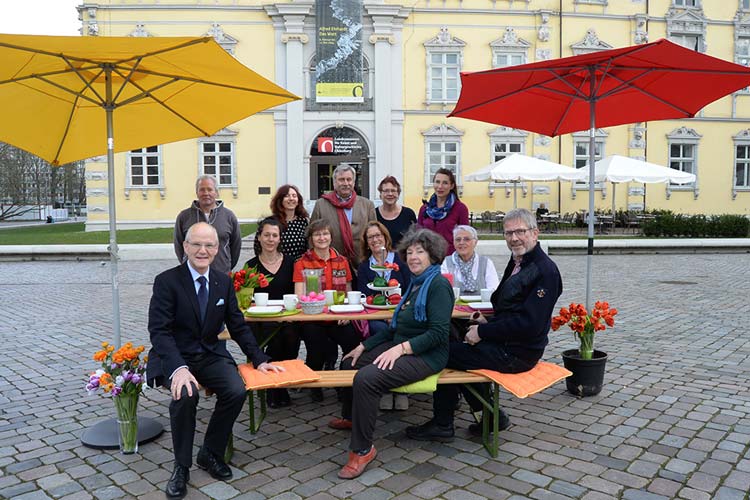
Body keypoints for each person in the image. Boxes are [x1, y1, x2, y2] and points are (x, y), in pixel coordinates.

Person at [147, 222, 283, 500]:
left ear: (217, 249)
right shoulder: (167, 281)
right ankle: (181, 466)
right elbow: (159, 332)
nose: (202, 250)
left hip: (210, 354)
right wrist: (179, 369)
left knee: (236, 390)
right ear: (185, 247)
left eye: (209, 245)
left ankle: (210, 452)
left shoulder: (223, 281)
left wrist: (259, 359)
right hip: (175, 355)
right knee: (185, 396)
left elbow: (238, 325)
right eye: (196, 244)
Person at [405, 208, 562, 441]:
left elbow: (530, 324)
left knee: (443, 353)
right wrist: (486, 320)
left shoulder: (544, 271)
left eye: (520, 232)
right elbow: (509, 306)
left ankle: (445, 423)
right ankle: (487, 415)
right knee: (449, 337)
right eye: (508, 233)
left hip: (517, 353)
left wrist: (483, 331)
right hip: (506, 342)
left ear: (535, 233)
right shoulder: (519, 260)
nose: (514, 238)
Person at [329, 227, 453, 479]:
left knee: (367, 379)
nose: (413, 257)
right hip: (402, 345)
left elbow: (439, 333)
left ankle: (362, 449)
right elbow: (394, 329)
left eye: (420, 252)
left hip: (425, 355)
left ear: (433, 255)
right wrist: (364, 346)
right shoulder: (415, 285)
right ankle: (353, 418)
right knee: (349, 363)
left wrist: (402, 349)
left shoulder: (437, 285)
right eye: (409, 252)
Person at [293, 219, 360, 402]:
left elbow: (348, 292)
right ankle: (315, 382)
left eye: (325, 234)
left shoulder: (342, 261)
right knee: (316, 350)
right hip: (313, 318)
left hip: (338, 318)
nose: (322, 238)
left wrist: (345, 314)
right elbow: (299, 296)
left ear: (331, 237)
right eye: (317, 234)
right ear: (311, 239)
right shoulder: (301, 263)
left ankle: (344, 383)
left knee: (352, 345)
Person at [356, 221, 412, 410]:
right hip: (375, 317)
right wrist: (383, 316)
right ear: (366, 242)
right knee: (381, 331)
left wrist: (396, 314)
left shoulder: (399, 260)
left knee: (400, 331)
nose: (375, 239)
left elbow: (410, 289)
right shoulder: (365, 267)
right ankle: (387, 388)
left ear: (385, 237)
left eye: (378, 235)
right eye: (370, 237)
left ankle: (401, 388)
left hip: (402, 313)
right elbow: (366, 295)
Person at [244, 217, 298, 408]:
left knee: (290, 336)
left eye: (274, 235)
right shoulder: (250, 266)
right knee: (274, 338)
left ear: (279, 239)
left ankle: (281, 383)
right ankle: (276, 387)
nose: (270, 239)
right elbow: (245, 298)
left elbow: (297, 294)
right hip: (260, 320)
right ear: (259, 237)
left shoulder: (291, 263)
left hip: (287, 318)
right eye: (266, 235)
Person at [310, 163, 376, 271]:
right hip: (331, 264)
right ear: (334, 182)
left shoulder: (367, 205)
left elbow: (374, 234)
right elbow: (312, 235)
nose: (346, 183)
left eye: (349, 179)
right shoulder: (321, 205)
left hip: (361, 264)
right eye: (341, 179)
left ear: (354, 182)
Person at [174, 175, 242, 275]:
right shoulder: (184, 216)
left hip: (221, 273)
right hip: (191, 274)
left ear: (216, 192)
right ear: (197, 192)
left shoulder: (228, 216)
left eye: (210, 189)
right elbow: (179, 245)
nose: (206, 193)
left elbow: (236, 246)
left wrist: (226, 264)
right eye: (202, 190)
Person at [417, 168, 469, 255]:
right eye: (437, 182)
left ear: (452, 186)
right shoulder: (424, 209)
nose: (440, 186)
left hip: (450, 259)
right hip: (428, 259)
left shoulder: (460, 208)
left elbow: (465, 236)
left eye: (445, 183)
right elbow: (418, 235)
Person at [441, 225, 500, 294]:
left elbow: (494, 290)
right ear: (454, 243)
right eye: (458, 239)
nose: (461, 243)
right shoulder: (446, 263)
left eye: (466, 239)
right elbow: (442, 291)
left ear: (475, 242)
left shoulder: (486, 263)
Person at [270, 184, 309, 262]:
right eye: (287, 196)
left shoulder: (304, 222)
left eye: (294, 196)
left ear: (298, 201)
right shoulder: (271, 222)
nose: (291, 198)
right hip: (278, 266)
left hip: (300, 266)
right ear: (280, 200)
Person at [375, 176, 417, 248]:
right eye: (386, 191)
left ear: (398, 194)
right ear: (380, 195)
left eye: (393, 191)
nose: (390, 194)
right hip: (380, 257)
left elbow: (415, 239)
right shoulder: (373, 214)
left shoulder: (408, 214)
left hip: (403, 257)